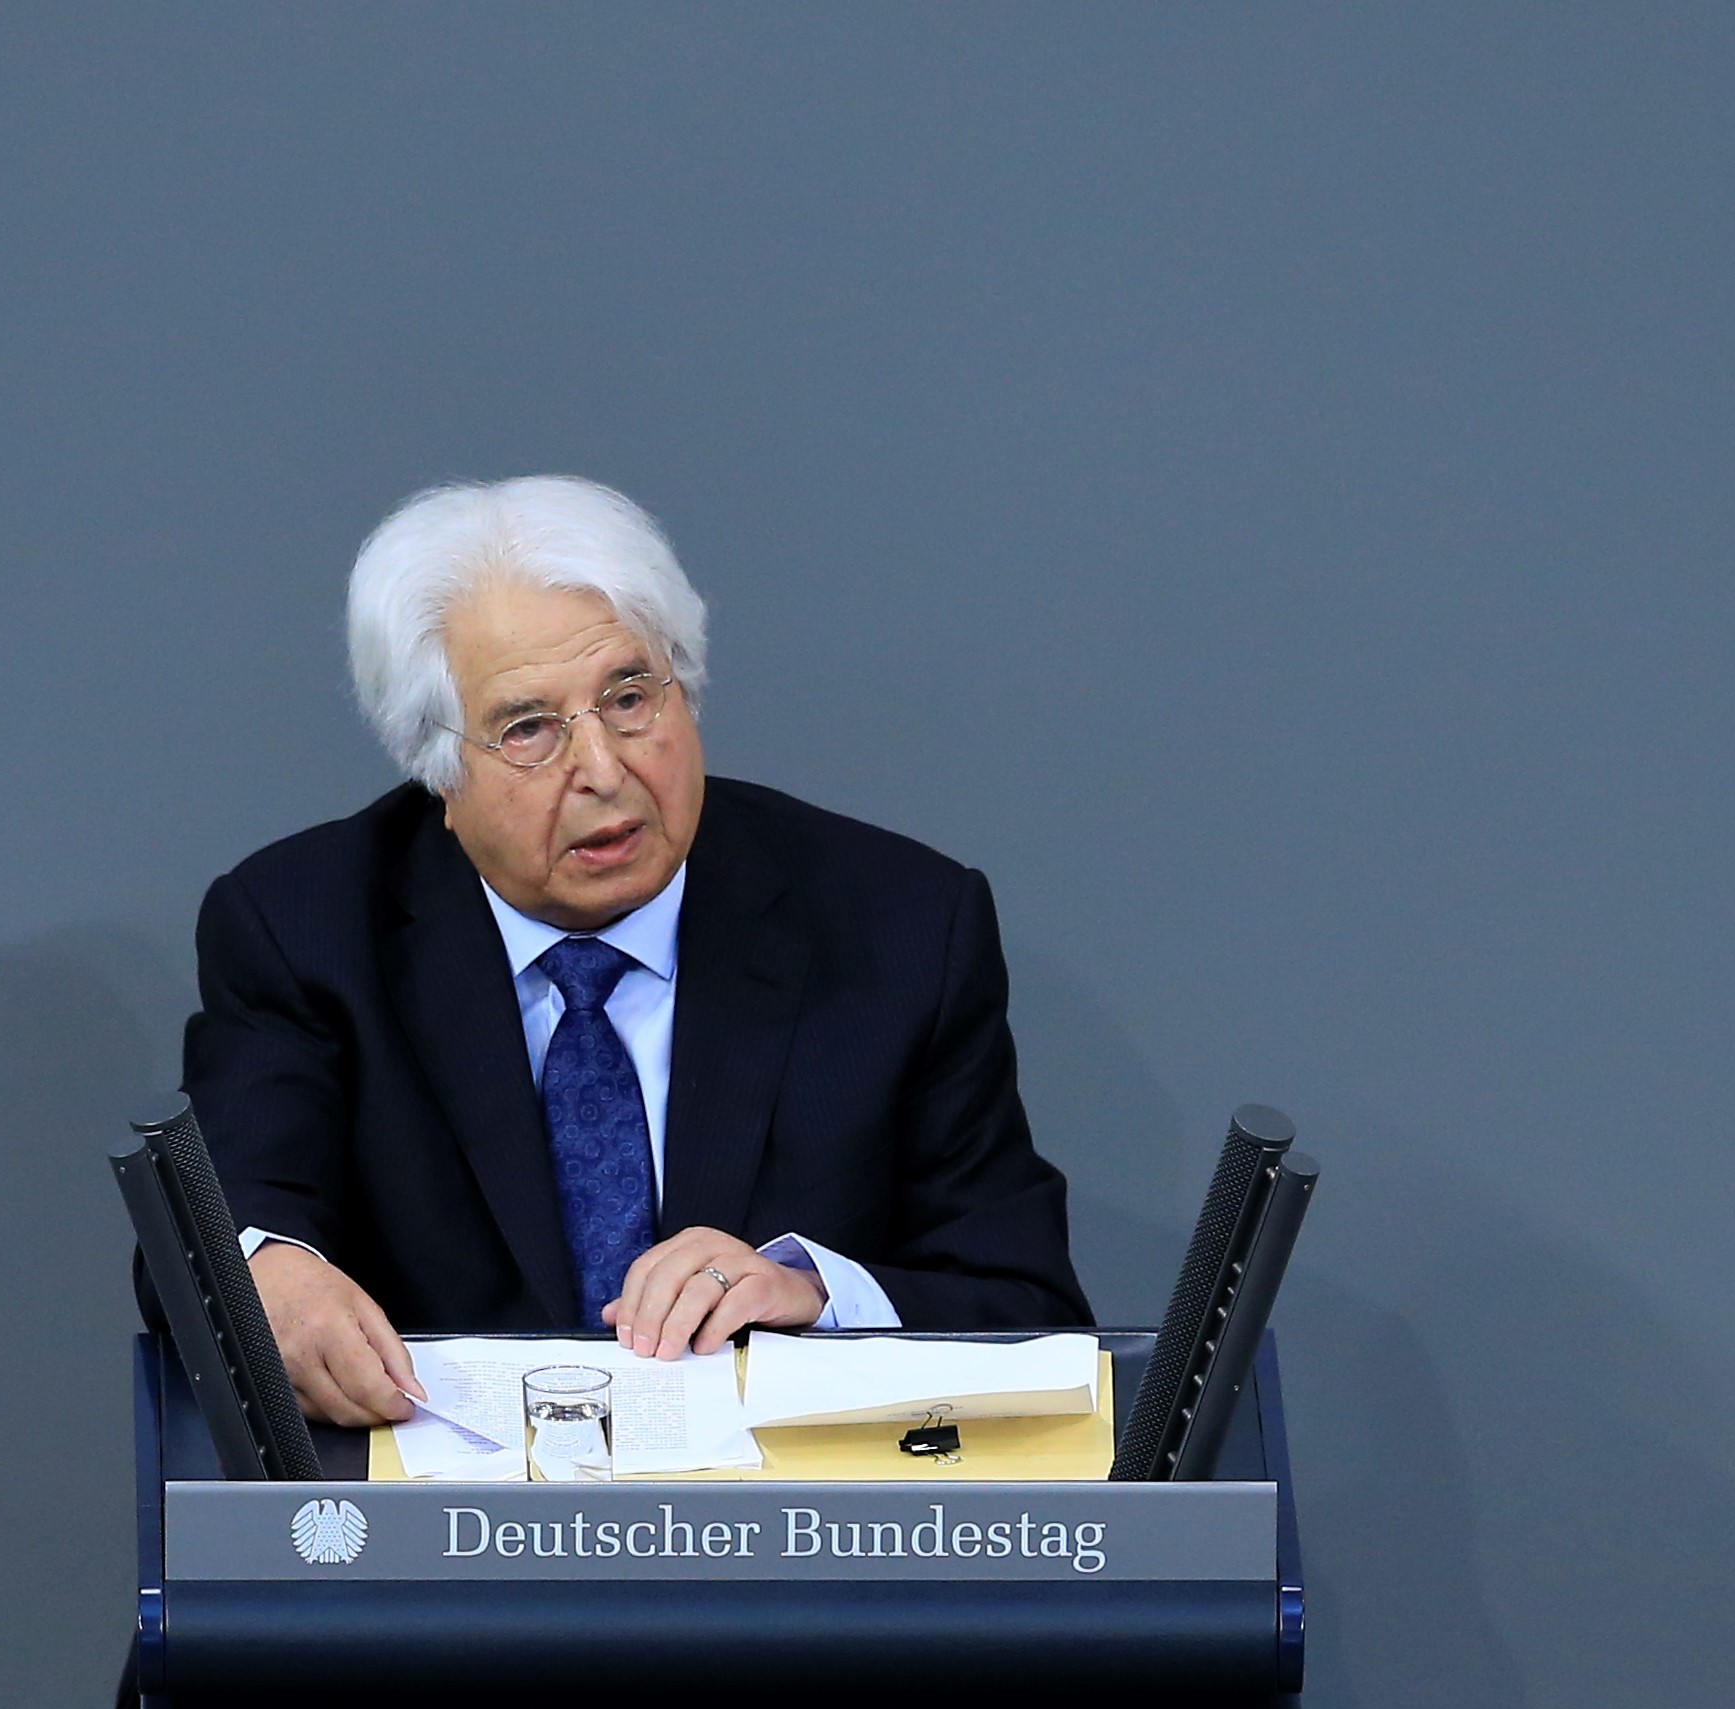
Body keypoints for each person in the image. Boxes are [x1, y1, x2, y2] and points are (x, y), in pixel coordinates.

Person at [181, 476, 1090, 1426]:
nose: (603, 771)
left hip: (779, 1508)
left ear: (683, 690)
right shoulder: (306, 929)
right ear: (437, 772)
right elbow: (219, 1223)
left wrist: (817, 1297)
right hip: (442, 1498)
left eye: (628, 699)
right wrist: (267, 1272)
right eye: (528, 729)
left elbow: (1027, 1312)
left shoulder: (898, 924)